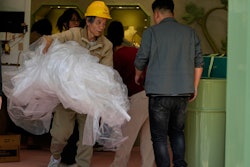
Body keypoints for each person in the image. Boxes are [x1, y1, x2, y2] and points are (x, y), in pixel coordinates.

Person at [43, 1, 113, 167]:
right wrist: (48, 41)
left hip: (89, 98)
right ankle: (55, 156)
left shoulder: (107, 45)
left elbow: (107, 73)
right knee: (61, 134)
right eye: (98, 22)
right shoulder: (73, 34)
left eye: (104, 23)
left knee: (87, 138)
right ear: (88, 21)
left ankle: (82, 165)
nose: (102, 26)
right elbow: (55, 38)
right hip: (67, 95)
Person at [134, 0, 204, 167]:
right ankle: (180, 165)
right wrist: (194, 86)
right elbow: (199, 62)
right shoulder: (190, 32)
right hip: (182, 93)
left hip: (159, 93)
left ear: (157, 13)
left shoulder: (151, 32)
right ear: (172, 12)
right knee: (177, 133)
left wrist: (137, 75)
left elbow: (141, 58)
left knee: (159, 137)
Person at [107, 20, 155, 167]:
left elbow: (114, 84)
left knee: (126, 137)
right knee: (149, 141)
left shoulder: (117, 56)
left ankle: (118, 165)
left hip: (139, 97)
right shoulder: (135, 51)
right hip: (155, 96)